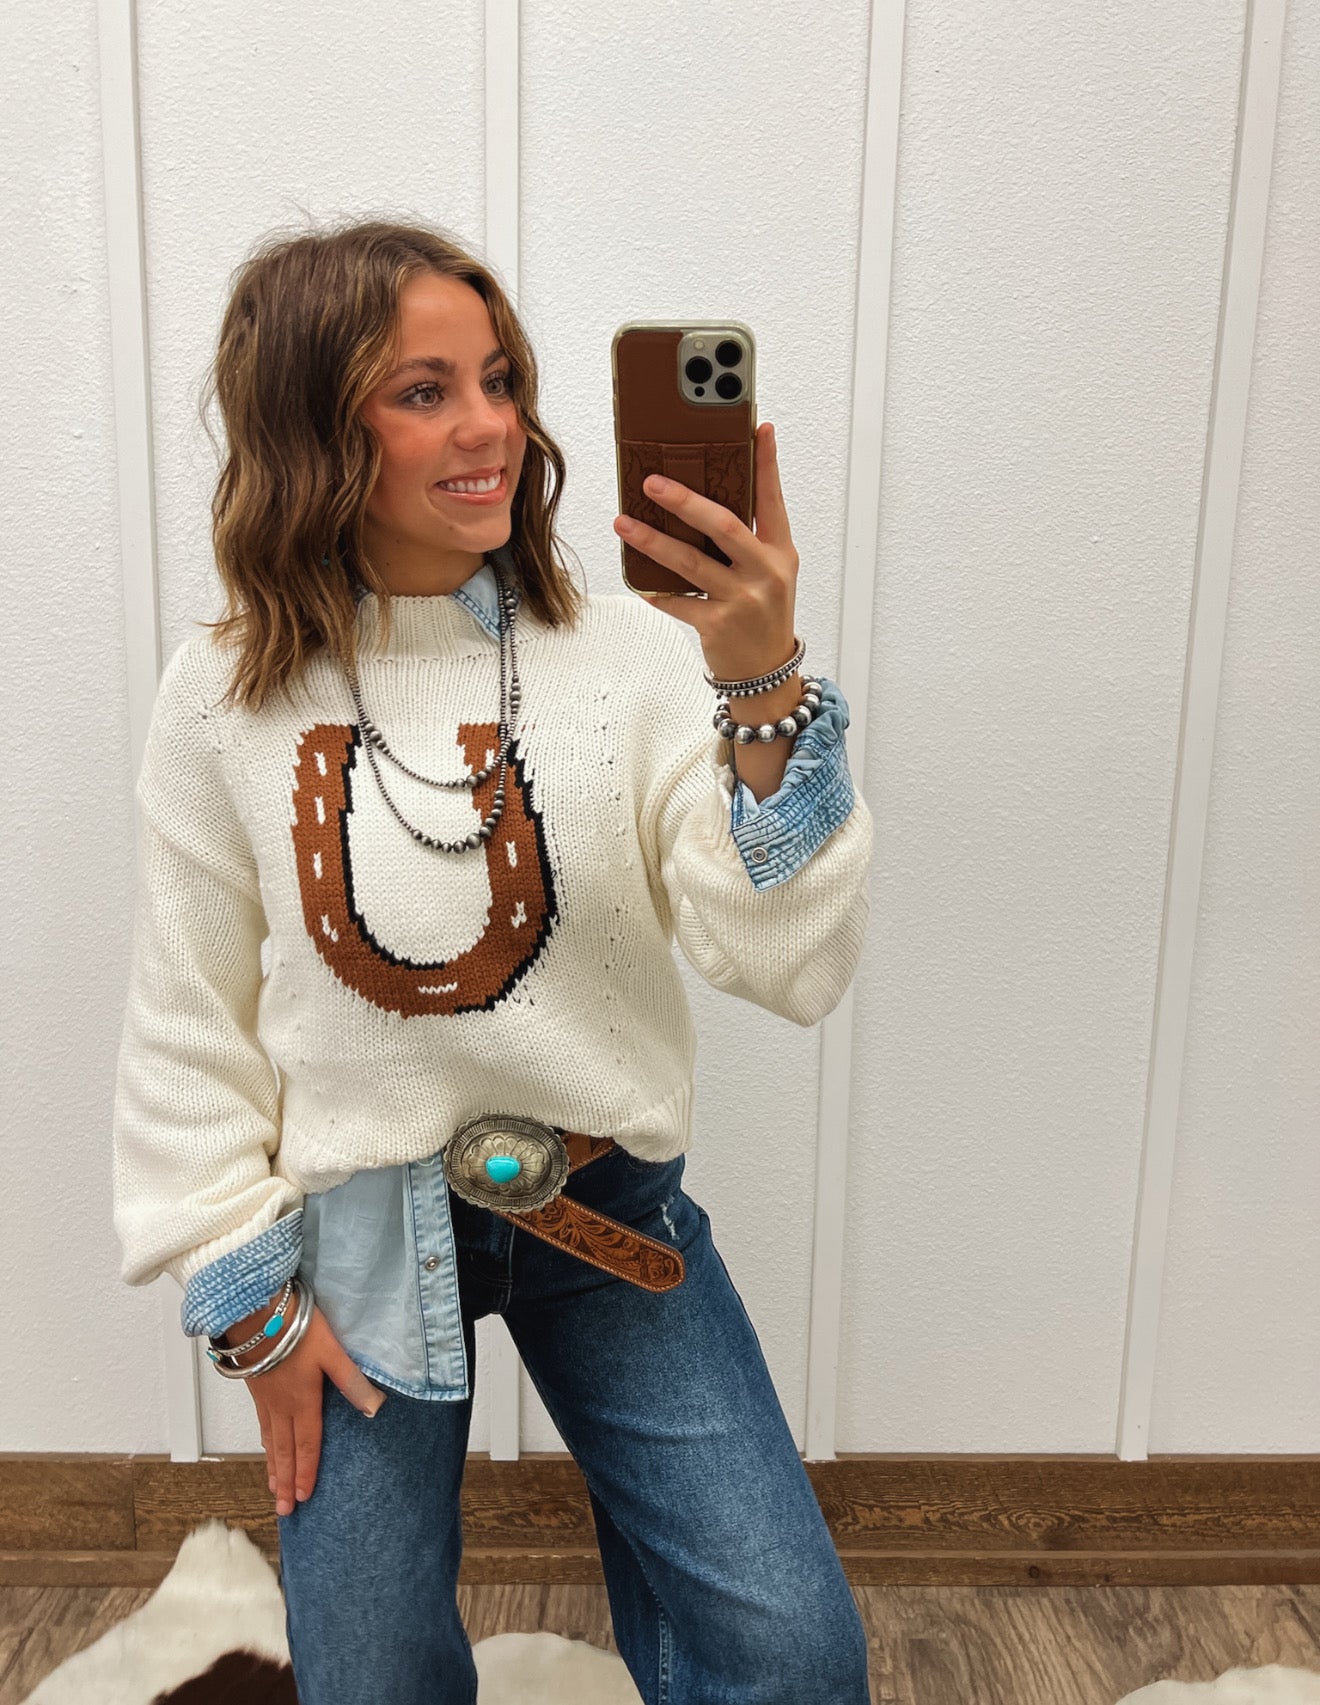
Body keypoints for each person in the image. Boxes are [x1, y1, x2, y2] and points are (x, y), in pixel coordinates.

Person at [111, 217, 875, 1705]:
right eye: (426, 391)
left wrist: (758, 680)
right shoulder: (221, 698)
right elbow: (187, 1018)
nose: (492, 428)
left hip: (606, 1205)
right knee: (371, 1678)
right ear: (313, 430)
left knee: (793, 1656)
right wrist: (249, 1303)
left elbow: (784, 959)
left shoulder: (630, 657)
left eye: (502, 379)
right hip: (357, 1236)